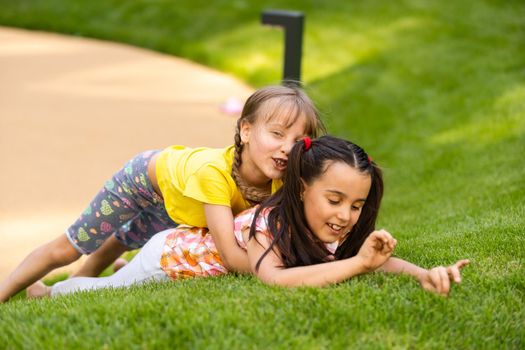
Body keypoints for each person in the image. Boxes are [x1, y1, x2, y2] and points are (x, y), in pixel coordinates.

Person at [31, 136, 469, 298]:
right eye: (334, 200)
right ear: (300, 189)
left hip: (181, 251)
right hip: (170, 260)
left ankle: (120, 260)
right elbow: (274, 279)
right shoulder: (271, 223)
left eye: (356, 206)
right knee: (106, 291)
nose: (345, 215)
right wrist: (357, 265)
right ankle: (49, 294)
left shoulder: (324, 227)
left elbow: (371, 261)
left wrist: (422, 273)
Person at [0, 85, 325, 302]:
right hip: (143, 180)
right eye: (277, 134)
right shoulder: (213, 174)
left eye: (298, 141)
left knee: (122, 242)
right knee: (69, 249)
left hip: (181, 204)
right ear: (246, 130)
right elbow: (228, 254)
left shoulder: (282, 180)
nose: (286, 148)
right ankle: (6, 291)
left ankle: (55, 294)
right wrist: (275, 273)